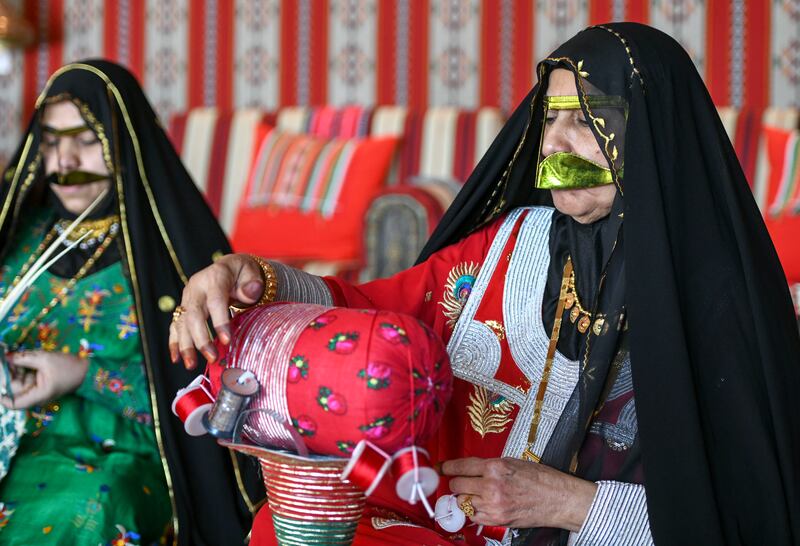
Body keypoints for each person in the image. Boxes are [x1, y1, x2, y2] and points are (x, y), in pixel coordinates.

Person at [170, 23, 800, 545]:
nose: (554, 140)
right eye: (550, 118)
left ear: (651, 131)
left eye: (587, 119)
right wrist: (250, 275)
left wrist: (574, 505)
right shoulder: (512, 242)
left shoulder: (719, 301)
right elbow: (376, 312)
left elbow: (751, 516)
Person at [0, 60, 260, 545]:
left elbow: (217, 397)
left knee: (82, 510)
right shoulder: (17, 238)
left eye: (83, 140)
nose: (62, 164)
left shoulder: (168, 255)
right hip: (11, 448)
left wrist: (81, 375)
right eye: (51, 142)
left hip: (121, 459)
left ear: (122, 139)